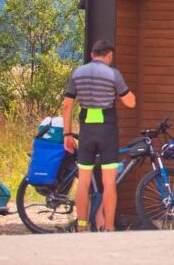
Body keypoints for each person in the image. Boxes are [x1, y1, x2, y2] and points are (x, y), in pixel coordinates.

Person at [62, 39, 136, 231]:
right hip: (107, 129)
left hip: (87, 129)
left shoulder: (78, 73)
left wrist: (67, 134)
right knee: (109, 181)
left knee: (84, 180)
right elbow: (130, 102)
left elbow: (67, 105)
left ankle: (82, 225)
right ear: (109, 55)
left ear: (92, 55)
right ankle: (109, 227)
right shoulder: (113, 74)